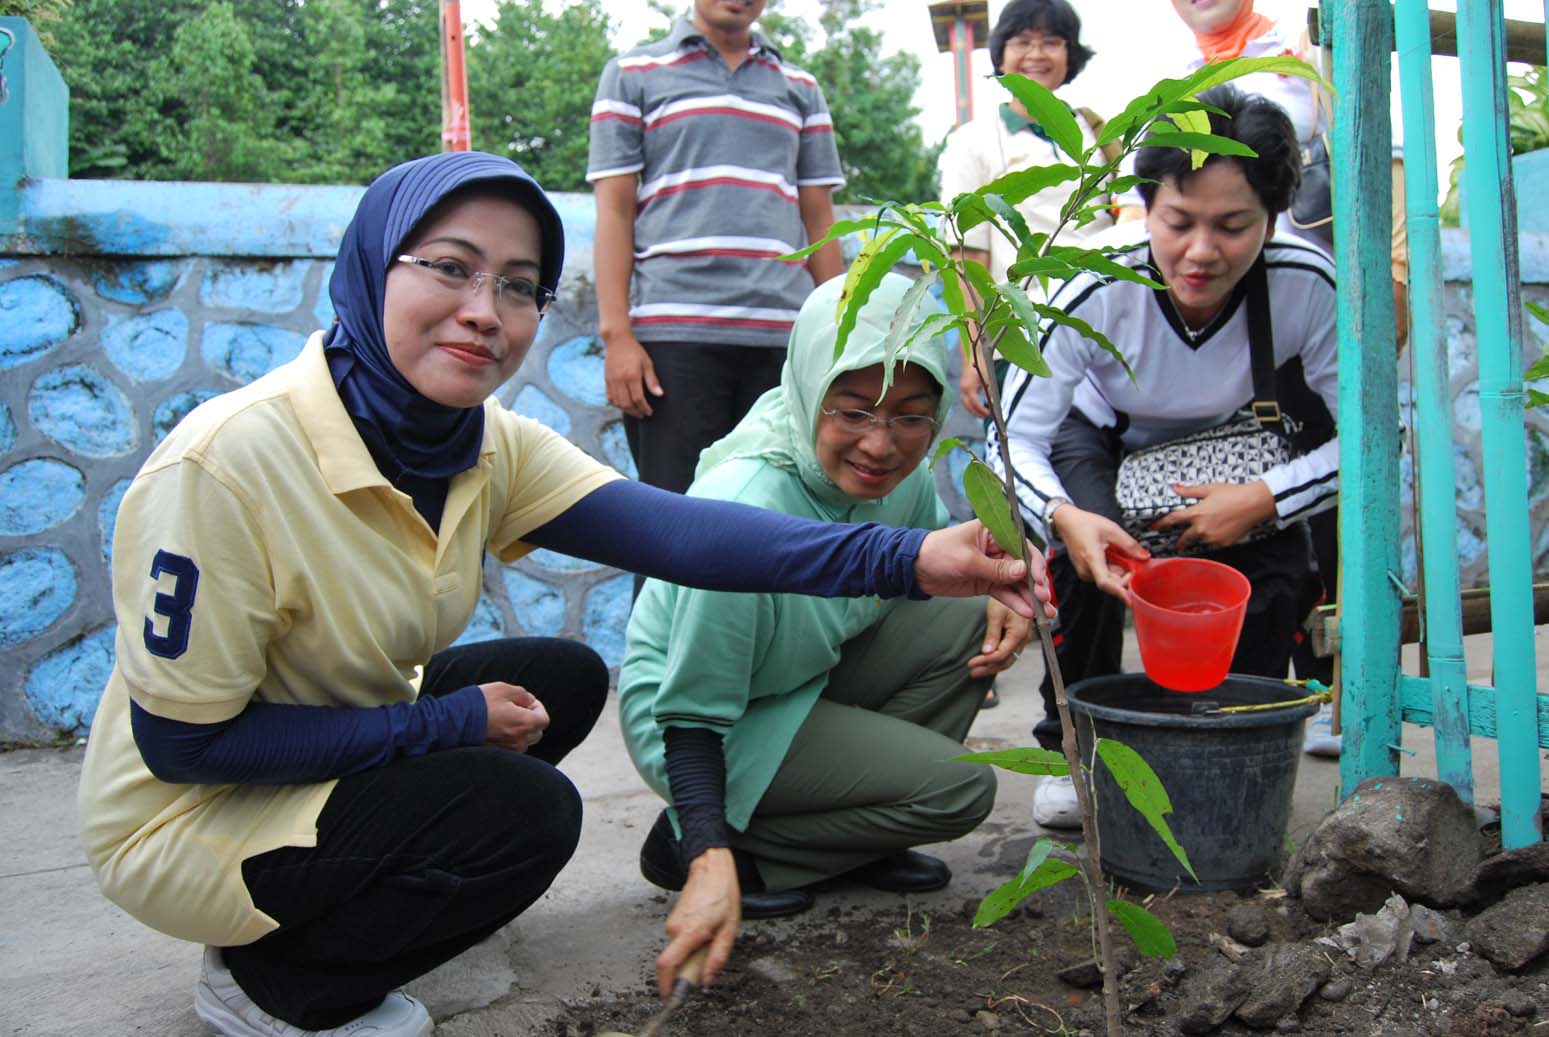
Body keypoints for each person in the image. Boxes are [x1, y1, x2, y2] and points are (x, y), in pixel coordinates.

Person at [76, 151, 1048, 1037]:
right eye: (449, 266)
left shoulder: (476, 441)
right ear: (372, 262)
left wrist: (915, 558)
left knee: (563, 677)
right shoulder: (229, 464)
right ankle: (276, 983)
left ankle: (311, 903)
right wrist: (444, 722)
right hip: (186, 812)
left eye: (518, 284)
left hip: (318, 721)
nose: (483, 309)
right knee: (528, 810)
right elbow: (184, 744)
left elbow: (677, 533)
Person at [619, 272, 1053, 998]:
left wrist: (1003, 595)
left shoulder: (898, 485)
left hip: (797, 674)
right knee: (959, 791)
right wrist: (705, 845)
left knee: (962, 610)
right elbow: (690, 712)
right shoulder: (745, 506)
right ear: (809, 389)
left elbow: (926, 584)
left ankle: (854, 835)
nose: (880, 445)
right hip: (700, 720)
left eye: (912, 415)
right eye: (851, 410)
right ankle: (718, 845)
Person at [991, 86, 1337, 828]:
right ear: (1144, 207)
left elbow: (1372, 438)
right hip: (1100, 435)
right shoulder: (1090, 284)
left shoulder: (1305, 284)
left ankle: (1229, 734)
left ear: (1271, 219)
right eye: (1177, 223)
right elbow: (1011, 436)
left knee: (1276, 568)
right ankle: (1070, 750)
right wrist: (1061, 515)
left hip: (1233, 440)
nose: (1201, 252)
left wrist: (1263, 499)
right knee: (1088, 556)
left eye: (1233, 226)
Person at [1151, 0, 1410, 756]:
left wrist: (1388, 275)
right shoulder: (1172, 83)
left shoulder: (1305, 52)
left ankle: (1338, 691)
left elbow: (1371, 156)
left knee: (1332, 513)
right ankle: (1245, 693)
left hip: (1308, 315)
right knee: (1251, 524)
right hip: (1228, 328)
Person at [588, 0, 845, 503]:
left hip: (783, 344)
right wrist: (617, 336)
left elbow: (820, 218)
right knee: (669, 525)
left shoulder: (801, 88)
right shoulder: (632, 75)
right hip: (672, 342)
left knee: (776, 519)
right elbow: (614, 212)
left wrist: (833, 339)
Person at [936, 0, 1115, 420]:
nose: (1036, 55)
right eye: (1023, 42)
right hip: (1017, 339)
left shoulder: (1097, 133)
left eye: (1051, 42)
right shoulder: (973, 141)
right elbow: (967, 259)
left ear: (1070, 54)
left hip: (1100, 333)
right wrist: (974, 356)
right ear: (1000, 54)